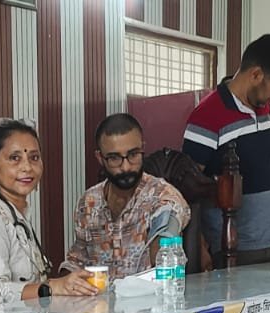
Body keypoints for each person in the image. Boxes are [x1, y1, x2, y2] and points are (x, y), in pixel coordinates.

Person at [182, 34, 270, 266]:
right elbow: (186, 187)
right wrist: (198, 245)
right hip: (233, 250)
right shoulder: (207, 116)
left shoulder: (263, 106)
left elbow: (265, 162)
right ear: (256, 74)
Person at [0, 120, 97, 302]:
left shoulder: (14, 213)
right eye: (14, 158)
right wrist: (53, 287)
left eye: (34, 158)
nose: (27, 167)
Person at [63, 113, 190, 281]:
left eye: (133, 154)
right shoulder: (88, 202)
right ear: (100, 158)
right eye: (114, 158)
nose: (126, 167)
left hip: (148, 296)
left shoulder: (163, 197)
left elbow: (164, 258)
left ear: (142, 148)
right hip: (98, 297)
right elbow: (77, 261)